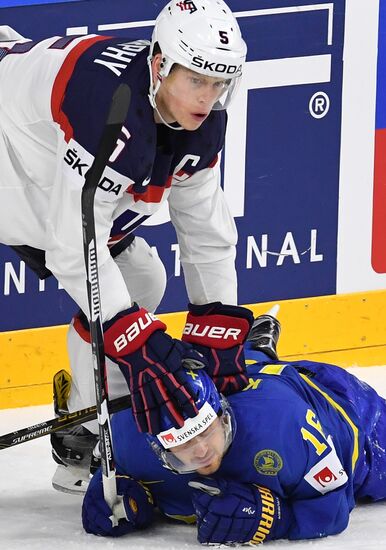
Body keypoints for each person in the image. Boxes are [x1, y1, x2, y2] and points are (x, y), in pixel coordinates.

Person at [0, 0, 255, 492]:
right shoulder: (112, 110)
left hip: (34, 161)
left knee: (141, 278)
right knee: (122, 306)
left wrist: (217, 327)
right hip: (10, 165)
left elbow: (206, 232)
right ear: (159, 64)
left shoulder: (196, 122)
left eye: (220, 82)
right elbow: (74, 246)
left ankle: (85, 422)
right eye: (196, 79)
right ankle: (95, 422)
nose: (209, 96)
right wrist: (136, 345)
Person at [81, 316, 386, 543]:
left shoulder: (287, 431)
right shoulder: (131, 433)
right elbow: (113, 473)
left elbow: (335, 502)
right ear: (159, 448)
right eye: (183, 444)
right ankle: (254, 349)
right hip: (251, 386)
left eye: (205, 431)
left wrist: (275, 519)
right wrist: (118, 492)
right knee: (228, 373)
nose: (200, 450)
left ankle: (257, 350)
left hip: (337, 403)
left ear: (223, 417)